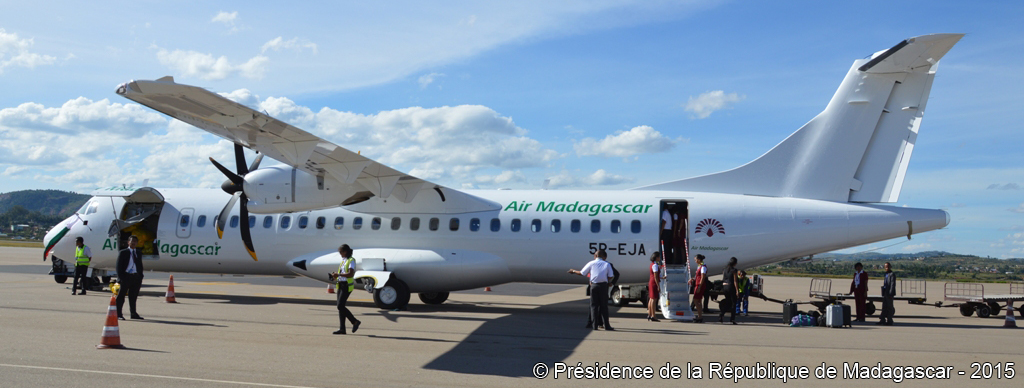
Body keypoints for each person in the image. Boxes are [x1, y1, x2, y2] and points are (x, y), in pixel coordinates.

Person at [569, 249, 614, 331]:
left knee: (594, 306)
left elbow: (582, 273)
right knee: (604, 306)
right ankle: (607, 326)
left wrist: (574, 271)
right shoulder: (607, 264)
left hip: (594, 286)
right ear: (604, 257)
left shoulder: (591, 263)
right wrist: (606, 280)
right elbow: (611, 275)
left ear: (595, 256)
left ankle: (594, 326)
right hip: (603, 286)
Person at [328, 244, 361, 335]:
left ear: (345, 252)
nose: (340, 254)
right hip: (341, 284)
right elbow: (342, 272)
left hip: (346, 286)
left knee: (340, 306)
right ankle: (342, 329)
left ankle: (355, 321)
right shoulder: (344, 260)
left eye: (341, 252)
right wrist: (335, 276)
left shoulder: (351, 260)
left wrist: (338, 275)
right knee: (340, 307)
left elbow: (350, 274)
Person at [115, 235, 144, 320]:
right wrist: (122, 277)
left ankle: (133, 313)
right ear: (128, 242)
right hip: (126, 276)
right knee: (121, 296)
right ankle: (118, 313)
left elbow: (139, 265)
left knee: (133, 296)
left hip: (135, 277)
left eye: (135, 241)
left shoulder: (138, 253)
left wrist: (140, 275)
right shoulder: (123, 252)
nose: (133, 243)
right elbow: (118, 267)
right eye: (132, 241)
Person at [719, 257, 739, 324]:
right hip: (731, 286)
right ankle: (732, 319)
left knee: (728, 302)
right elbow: (735, 281)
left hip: (725, 286)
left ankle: (722, 314)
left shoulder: (724, 269)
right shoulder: (734, 270)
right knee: (733, 303)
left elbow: (723, 278)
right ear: (735, 263)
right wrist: (737, 290)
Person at [691, 254, 708, 323]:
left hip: (699, 285)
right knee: (698, 301)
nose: (695, 261)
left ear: (699, 259)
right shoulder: (699, 266)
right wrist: (692, 279)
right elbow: (697, 276)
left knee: (695, 300)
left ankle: (700, 316)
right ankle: (699, 316)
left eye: (695, 260)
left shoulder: (703, 267)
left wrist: (699, 286)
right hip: (697, 284)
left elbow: (702, 277)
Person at [647, 252, 663, 322]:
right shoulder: (655, 265)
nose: (660, 258)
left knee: (651, 299)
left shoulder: (652, 264)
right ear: (656, 258)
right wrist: (658, 285)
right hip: (654, 283)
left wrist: (662, 277)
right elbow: (656, 276)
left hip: (651, 281)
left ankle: (650, 314)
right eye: (659, 257)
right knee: (654, 299)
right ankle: (653, 315)